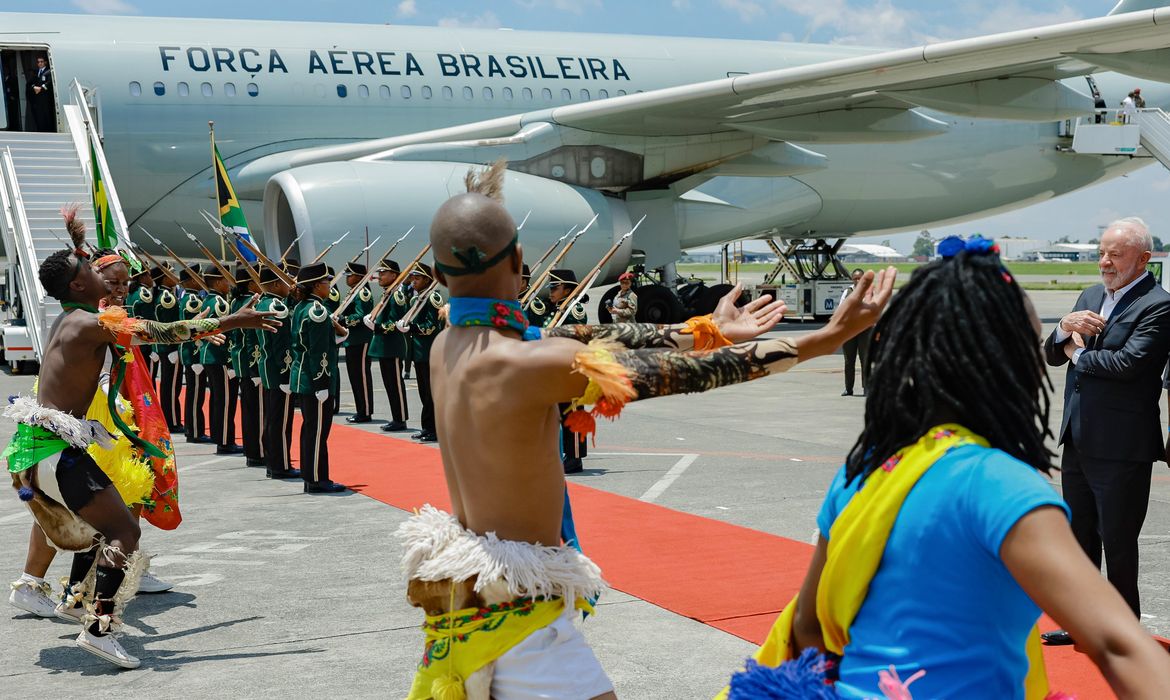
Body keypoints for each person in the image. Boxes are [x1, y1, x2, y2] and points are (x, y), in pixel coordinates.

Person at [399, 162, 893, 699]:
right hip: (521, 628)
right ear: (520, 260)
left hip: (473, 610)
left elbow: (597, 333)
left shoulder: (448, 347)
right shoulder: (527, 364)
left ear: (439, 273)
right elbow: (686, 375)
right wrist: (825, 338)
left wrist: (708, 329)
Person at [726, 235, 1170, 700]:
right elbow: (1119, 646)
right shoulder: (1004, 486)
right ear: (1011, 365)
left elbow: (808, 627)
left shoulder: (863, 471)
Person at [6, 244, 275, 668]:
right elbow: (160, 331)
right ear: (78, 285)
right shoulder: (90, 324)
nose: (103, 277)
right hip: (56, 453)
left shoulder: (71, 319)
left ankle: (77, 601)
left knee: (103, 527)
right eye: (92, 272)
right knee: (124, 532)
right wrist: (235, 321)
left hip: (39, 451)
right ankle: (99, 628)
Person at [1040, 217, 1170, 645]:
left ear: (1144, 259)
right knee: (1079, 539)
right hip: (1078, 438)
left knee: (1117, 541)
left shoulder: (1158, 305)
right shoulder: (1092, 294)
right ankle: (1081, 622)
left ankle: (1121, 631)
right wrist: (1062, 327)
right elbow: (1052, 355)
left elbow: (1128, 365)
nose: (1105, 262)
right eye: (1101, 253)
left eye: (1115, 254)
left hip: (1121, 448)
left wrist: (1075, 349)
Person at [289, 263, 348, 493]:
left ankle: (311, 476)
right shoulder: (317, 311)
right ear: (316, 285)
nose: (329, 286)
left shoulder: (303, 307)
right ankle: (316, 480)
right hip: (315, 380)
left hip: (304, 378)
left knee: (311, 430)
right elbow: (319, 352)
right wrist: (322, 383)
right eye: (326, 282)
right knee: (317, 433)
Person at [256, 266, 299, 480]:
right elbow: (281, 346)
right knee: (281, 423)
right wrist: (285, 374)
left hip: (266, 369)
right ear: (275, 284)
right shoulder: (277, 307)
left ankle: (273, 463)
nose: (289, 286)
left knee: (271, 420)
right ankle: (281, 465)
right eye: (285, 282)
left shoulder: (262, 303)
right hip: (279, 371)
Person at [398, 263, 442, 443]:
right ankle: (427, 427)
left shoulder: (432, 298)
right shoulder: (418, 298)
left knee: (431, 393)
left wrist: (411, 328)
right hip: (418, 353)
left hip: (430, 352)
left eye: (417, 278)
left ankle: (434, 429)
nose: (413, 281)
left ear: (427, 279)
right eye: (413, 278)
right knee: (424, 392)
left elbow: (431, 326)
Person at [198, 267, 240, 456]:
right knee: (224, 400)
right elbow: (226, 332)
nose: (228, 283)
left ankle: (220, 437)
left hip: (209, 355)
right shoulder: (220, 303)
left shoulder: (208, 299)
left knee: (218, 398)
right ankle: (224, 441)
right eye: (225, 280)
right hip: (219, 355)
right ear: (216, 282)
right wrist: (230, 360)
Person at [366, 259, 410, 432]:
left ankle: (400, 419)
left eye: (384, 273)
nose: (380, 276)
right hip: (383, 346)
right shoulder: (387, 293)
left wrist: (376, 326)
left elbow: (396, 321)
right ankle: (396, 417)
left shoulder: (397, 295)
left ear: (394, 275)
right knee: (389, 384)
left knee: (395, 384)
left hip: (392, 345)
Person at [233, 267, 265, 467]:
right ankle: (258, 452)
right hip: (252, 363)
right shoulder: (252, 304)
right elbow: (253, 338)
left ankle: (251, 450)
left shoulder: (235, 301)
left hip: (240, 362)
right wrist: (255, 368)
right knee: (258, 412)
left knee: (249, 410)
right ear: (251, 283)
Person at [340, 261, 375, 423]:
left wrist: (343, 320)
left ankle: (365, 411)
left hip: (361, 339)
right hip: (351, 339)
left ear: (359, 277)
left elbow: (362, 315)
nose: (347, 279)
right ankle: (360, 409)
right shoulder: (353, 292)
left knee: (361, 376)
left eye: (350, 275)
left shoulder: (362, 293)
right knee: (354, 376)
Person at [179, 266, 209, 444]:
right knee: (196, 395)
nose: (201, 280)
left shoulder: (189, 298)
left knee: (193, 394)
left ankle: (192, 429)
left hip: (189, 353)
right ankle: (195, 431)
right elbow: (192, 330)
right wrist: (196, 355)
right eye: (198, 277)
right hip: (193, 353)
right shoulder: (193, 300)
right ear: (190, 280)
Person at [152, 265, 183, 433]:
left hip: (163, 348)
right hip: (169, 348)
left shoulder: (162, 294)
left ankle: (171, 419)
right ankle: (171, 421)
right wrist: (172, 346)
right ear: (164, 278)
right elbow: (170, 325)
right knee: (171, 387)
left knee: (168, 385)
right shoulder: (167, 297)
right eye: (171, 273)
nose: (175, 276)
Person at [839, 268, 873, 397]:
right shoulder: (847, 291)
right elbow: (841, 310)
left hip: (865, 330)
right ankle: (849, 388)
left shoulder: (870, 292)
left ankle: (866, 388)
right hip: (849, 331)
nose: (857, 280)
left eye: (860, 278)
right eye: (855, 278)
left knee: (865, 360)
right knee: (849, 361)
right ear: (852, 279)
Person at [26, 55, 54, 133]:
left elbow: (50, 83)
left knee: (47, 116)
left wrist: (41, 88)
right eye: (38, 62)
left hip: (46, 99)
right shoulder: (35, 72)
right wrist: (34, 87)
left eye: (42, 61)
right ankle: (40, 131)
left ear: (45, 62)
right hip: (37, 100)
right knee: (39, 117)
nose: (40, 63)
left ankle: (49, 132)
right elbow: (30, 83)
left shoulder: (49, 72)